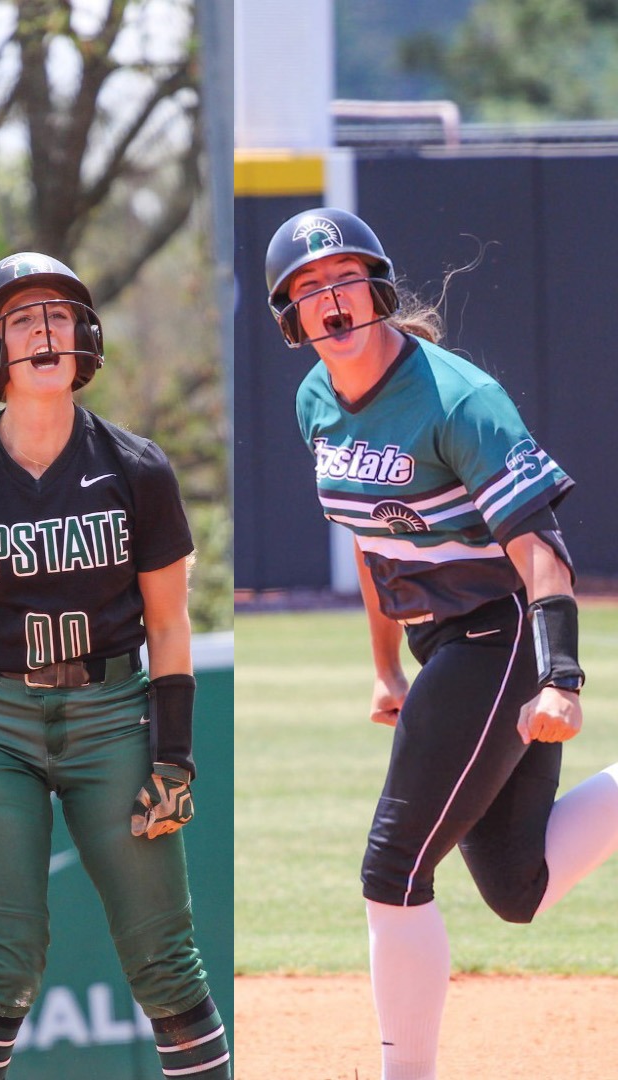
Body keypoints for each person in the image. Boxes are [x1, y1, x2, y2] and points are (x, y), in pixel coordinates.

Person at [264, 208, 618, 1080]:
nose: (331, 301)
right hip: (441, 644)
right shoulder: (317, 400)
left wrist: (563, 677)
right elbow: (370, 536)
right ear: (291, 319)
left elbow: (542, 554)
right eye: (309, 290)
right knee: (516, 887)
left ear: (377, 288)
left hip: (504, 637)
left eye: (345, 279)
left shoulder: (458, 400)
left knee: (393, 873)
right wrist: (384, 667)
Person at [0, 253, 232, 1079]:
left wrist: (175, 754)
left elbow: (167, 621)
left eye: (58, 315)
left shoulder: (137, 468)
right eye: (21, 320)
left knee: (167, 962)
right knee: (6, 969)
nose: (44, 330)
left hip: (113, 712)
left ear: (84, 339)